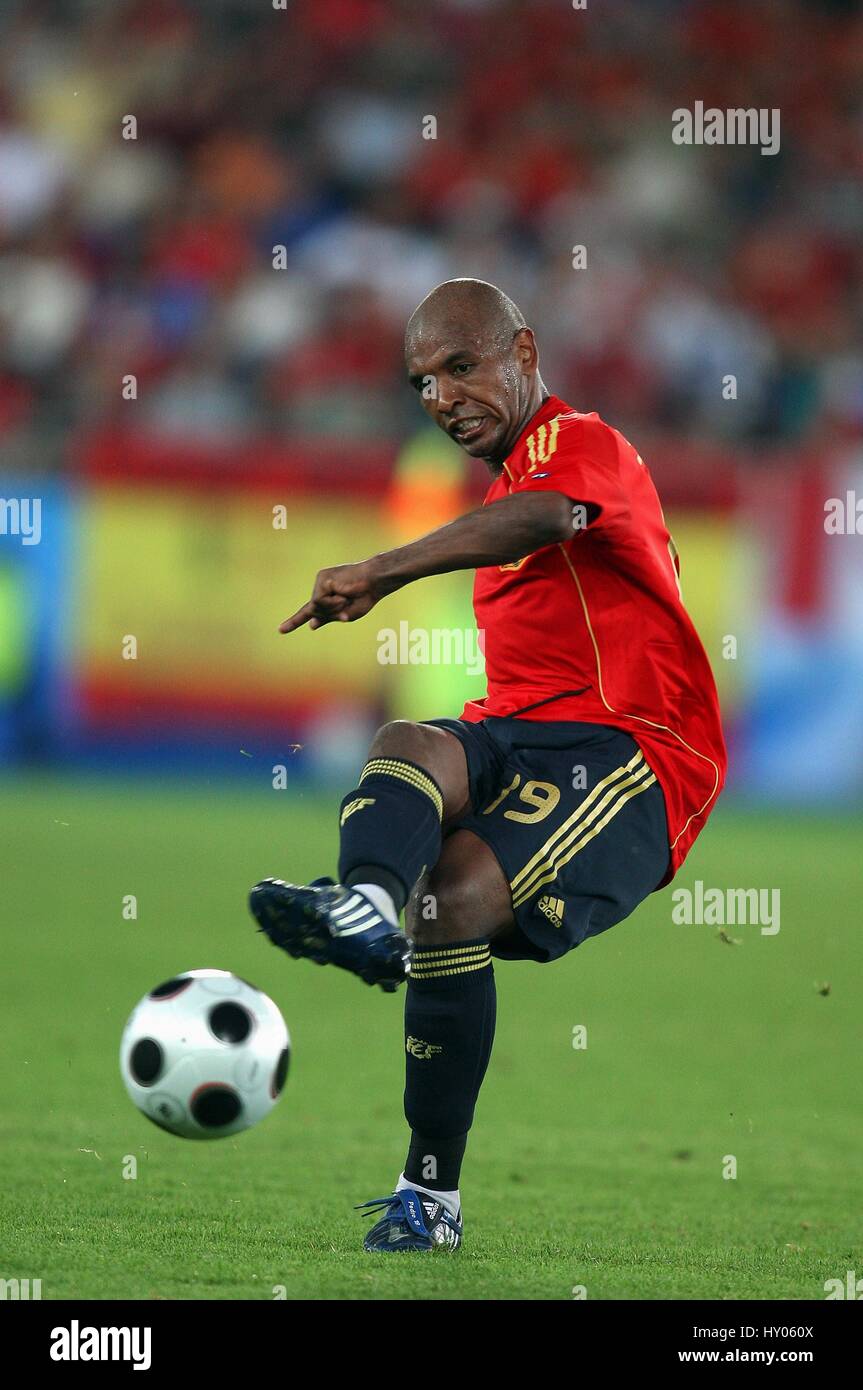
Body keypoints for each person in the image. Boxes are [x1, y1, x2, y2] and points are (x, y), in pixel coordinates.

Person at [249, 278, 727, 1252]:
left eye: (460, 367)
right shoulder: (504, 485)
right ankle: (364, 912)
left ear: (522, 350)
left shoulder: (576, 445)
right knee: (406, 746)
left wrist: (381, 569)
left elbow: (550, 519)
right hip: (516, 727)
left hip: (635, 750)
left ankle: (429, 1195)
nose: (439, 397)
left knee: (457, 897)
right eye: (421, 381)